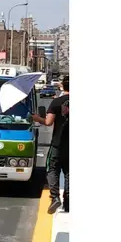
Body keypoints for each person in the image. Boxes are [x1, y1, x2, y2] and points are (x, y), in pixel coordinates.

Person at [35, 74, 69, 214]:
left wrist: (36, 118)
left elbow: (48, 122)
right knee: (69, 172)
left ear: (62, 85)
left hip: (58, 144)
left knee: (52, 169)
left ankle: (55, 197)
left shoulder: (56, 102)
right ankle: (69, 200)